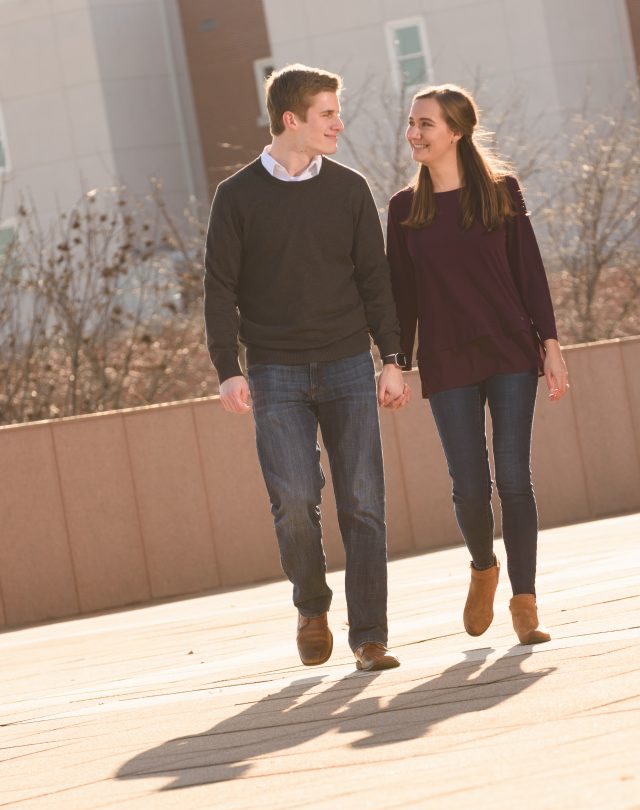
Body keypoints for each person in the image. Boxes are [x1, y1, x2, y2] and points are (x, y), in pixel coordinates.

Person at [204, 64, 409, 671]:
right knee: (294, 500)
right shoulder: (236, 196)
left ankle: (370, 637)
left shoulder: (349, 189)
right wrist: (227, 366)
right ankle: (312, 605)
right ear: (291, 119)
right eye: (327, 113)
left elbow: (376, 280)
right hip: (274, 370)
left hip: (348, 362)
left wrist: (393, 359)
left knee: (364, 502)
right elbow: (220, 289)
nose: (338, 123)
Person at [387, 83, 569, 645]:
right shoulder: (403, 209)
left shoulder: (500, 192)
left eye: (426, 125)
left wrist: (552, 344)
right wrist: (394, 361)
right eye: (412, 123)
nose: (414, 133)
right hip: (445, 357)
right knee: (469, 485)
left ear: (457, 132)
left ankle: (525, 601)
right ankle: (483, 567)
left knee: (514, 479)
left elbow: (529, 272)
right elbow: (399, 296)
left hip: (511, 350)